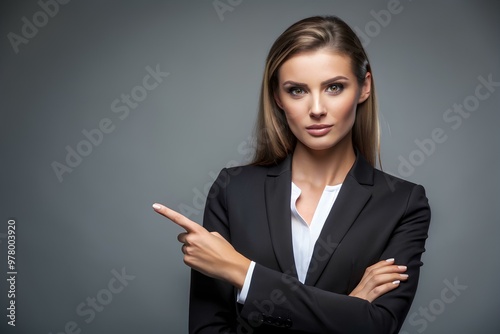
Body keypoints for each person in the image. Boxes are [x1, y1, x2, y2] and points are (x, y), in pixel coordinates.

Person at [153, 15, 431, 333]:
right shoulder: (233, 190)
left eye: (334, 87)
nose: (316, 108)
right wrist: (349, 308)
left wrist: (244, 273)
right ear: (277, 97)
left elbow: (378, 327)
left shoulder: (402, 203)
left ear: (364, 87)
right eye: (297, 90)